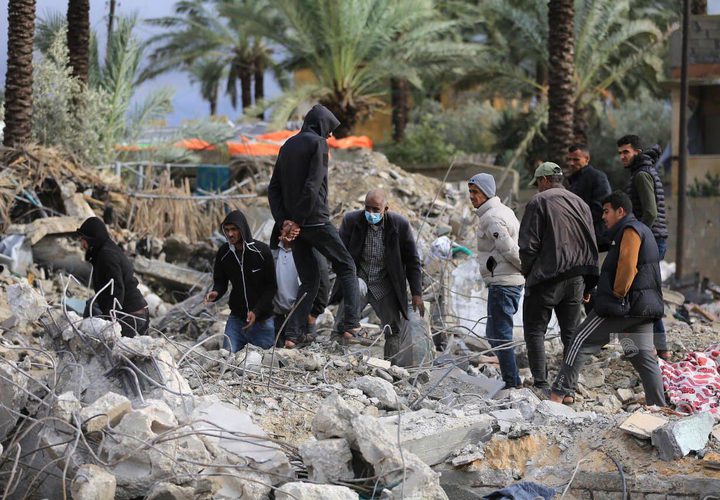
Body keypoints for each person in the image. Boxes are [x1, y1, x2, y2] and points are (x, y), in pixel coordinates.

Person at [550, 191, 667, 407]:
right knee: (641, 356)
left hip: (623, 307)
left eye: (606, 211)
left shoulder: (630, 230)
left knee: (579, 340)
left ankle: (557, 394)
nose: (603, 217)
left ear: (620, 211)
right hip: (641, 310)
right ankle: (659, 406)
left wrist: (617, 296)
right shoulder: (642, 230)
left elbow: (627, 266)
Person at [268, 104, 361, 348]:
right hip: (315, 220)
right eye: (329, 129)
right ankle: (351, 325)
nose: (330, 134)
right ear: (320, 125)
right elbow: (313, 184)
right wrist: (297, 221)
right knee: (347, 266)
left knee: (309, 281)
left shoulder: (287, 146)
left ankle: (292, 335)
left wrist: (284, 221)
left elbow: (274, 188)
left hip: (295, 226)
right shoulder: (318, 144)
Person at [519, 162, 599, 396]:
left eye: (537, 183)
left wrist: (527, 273)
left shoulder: (538, 202)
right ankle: (568, 389)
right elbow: (591, 243)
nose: (537, 188)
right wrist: (589, 284)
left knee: (535, 330)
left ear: (544, 180)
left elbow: (528, 246)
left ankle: (541, 385)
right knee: (571, 334)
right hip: (577, 279)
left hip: (546, 278)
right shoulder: (581, 203)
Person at [332, 189, 423, 361]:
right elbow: (339, 255)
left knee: (393, 329)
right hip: (358, 280)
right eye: (367, 208)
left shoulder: (400, 225)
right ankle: (334, 359)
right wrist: (350, 279)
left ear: (385, 209)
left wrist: (416, 293)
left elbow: (412, 260)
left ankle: (391, 367)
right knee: (342, 324)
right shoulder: (351, 221)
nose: (371, 213)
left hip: (384, 284)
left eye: (376, 209)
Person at [468, 173, 525, 389]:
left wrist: (526, 269)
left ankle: (512, 382)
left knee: (500, 336)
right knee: (493, 334)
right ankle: (511, 377)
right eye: (470, 192)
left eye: (475, 192)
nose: (471, 196)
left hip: (504, 283)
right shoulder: (499, 211)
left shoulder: (492, 217)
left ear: (486, 192)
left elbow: (509, 249)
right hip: (502, 281)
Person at [617, 135, 670, 359]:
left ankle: (643, 350)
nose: (622, 157)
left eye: (626, 152)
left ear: (637, 152)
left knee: (639, 295)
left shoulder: (641, 175)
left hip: (649, 241)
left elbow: (650, 212)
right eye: (620, 153)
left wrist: (638, 236)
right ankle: (658, 349)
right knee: (646, 295)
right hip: (654, 240)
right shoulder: (644, 171)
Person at [205, 210, 277, 353]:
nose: (230, 234)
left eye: (234, 229)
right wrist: (216, 292)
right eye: (226, 230)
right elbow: (220, 282)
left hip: (262, 322)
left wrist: (256, 311)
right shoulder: (224, 253)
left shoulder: (261, 252)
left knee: (264, 362)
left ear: (242, 229)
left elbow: (271, 287)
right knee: (226, 358)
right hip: (236, 321)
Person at [77, 217, 149, 337]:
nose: (82, 244)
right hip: (136, 313)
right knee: (92, 304)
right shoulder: (105, 251)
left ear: (92, 239)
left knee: (113, 346)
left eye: (83, 240)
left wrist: (109, 322)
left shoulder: (107, 255)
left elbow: (117, 288)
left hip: (131, 316)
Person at [270, 222, 330, 346]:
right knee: (278, 354)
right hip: (278, 316)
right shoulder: (273, 253)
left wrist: (314, 313)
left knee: (303, 354)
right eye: (286, 226)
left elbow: (323, 282)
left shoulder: (310, 253)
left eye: (292, 227)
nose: (289, 230)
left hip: (302, 316)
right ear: (279, 230)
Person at [565, 143, 612, 251]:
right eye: (569, 159)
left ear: (587, 159)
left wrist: (577, 224)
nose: (571, 163)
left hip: (596, 238)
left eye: (576, 159)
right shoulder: (573, 179)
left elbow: (601, 208)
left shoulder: (597, 177)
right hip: (580, 238)